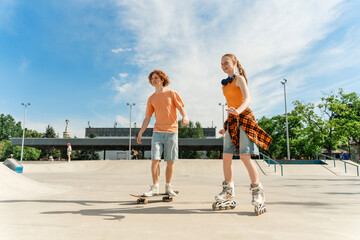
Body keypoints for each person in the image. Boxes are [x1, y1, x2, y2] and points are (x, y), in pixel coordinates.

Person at [215, 53, 272, 214]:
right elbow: (230, 105)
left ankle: (258, 191)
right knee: (226, 156)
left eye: (226, 62)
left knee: (244, 156)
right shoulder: (224, 86)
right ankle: (228, 191)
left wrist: (238, 111)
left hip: (245, 118)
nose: (223, 65)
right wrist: (225, 126)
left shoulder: (240, 79)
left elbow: (248, 99)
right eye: (221, 64)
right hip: (232, 120)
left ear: (234, 63)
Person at [137, 70, 189, 197]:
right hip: (157, 132)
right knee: (155, 159)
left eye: (156, 78)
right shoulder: (151, 98)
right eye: (152, 79)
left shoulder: (171, 93)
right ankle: (155, 187)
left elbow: (181, 107)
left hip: (172, 131)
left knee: (170, 161)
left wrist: (185, 117)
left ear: (162, 79)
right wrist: (140, 132)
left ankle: (168, 187)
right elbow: (148, 117)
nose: (154, 80)